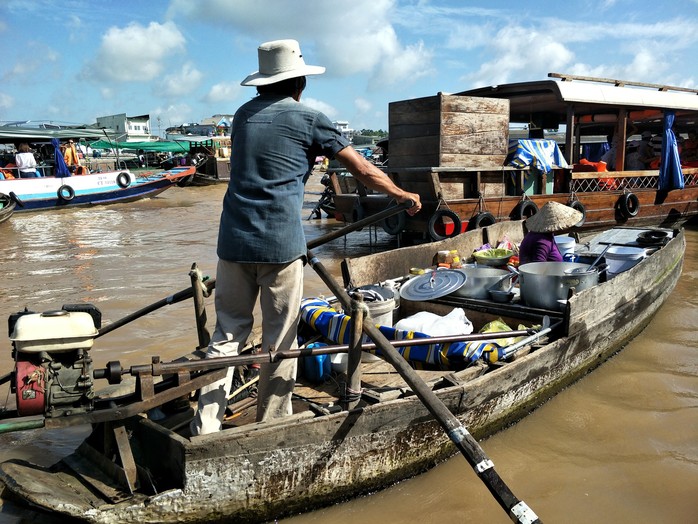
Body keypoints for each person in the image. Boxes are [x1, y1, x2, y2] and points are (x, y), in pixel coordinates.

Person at [190, 39, 422, 436]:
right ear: (299, 82)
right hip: (280, 246)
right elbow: (363, 169)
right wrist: (402, 195)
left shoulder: (242, 116)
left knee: (226, 335)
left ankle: (205, 427)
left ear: (262, 83)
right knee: (280, 340)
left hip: (232, 242)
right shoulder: (310, 119)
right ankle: (271, 426)